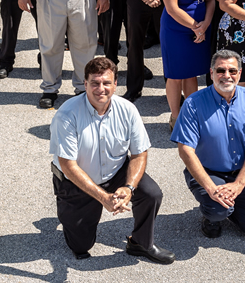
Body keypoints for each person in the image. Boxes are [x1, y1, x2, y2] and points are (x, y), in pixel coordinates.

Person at [49, 57, 174, 264]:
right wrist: (103, 197)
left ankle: (141, 243)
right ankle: (70, 213)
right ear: (85, 84)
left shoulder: (128, 110)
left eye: (106, 83)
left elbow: (139, 154)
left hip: (115, 171)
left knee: (151, 194)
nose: (101, 89)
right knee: (80, 246)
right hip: (77, 181)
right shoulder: (67, 115)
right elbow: (68, 166)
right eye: (95, 83)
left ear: (115, 84)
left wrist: (129, 187)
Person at [173, 51, 245, 240]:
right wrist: (211, 188)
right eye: (221, 70)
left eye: (232, 71)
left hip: (242, 173)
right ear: (211, 73)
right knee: (218, 208)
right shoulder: (193, 103)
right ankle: (212, 216)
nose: (227, 75)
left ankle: (230, 204)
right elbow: (185, 149)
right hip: (209, 173)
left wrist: (239, 184)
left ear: (240, 73)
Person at [160, 0, 217, 123]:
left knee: (191, 74)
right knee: (176, 75)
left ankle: (191, 115)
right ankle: (176, 118)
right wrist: (196, 27)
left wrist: (205, 24)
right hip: (177, 30)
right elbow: (171, 8)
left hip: (200, 28)